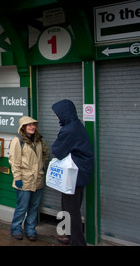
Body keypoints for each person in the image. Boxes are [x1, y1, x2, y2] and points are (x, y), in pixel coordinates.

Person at [51, 99, 94, 246]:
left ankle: (78, 242)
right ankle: (68, 235)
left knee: (71, 210)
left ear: (64, 113)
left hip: (74, 176)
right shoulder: (75, 125)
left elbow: (57, 151)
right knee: (68, 206)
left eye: (57, 114)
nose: (56, 117)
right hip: (78, 174)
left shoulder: (69, 130)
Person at [8, 116, 49, 241]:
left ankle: (30, 229)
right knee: (22, 206)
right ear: (23, 127)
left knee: (34, 206)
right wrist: (18, 178)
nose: (32, 127)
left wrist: (41, 167)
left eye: (33, 125)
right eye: (29, 125)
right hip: (24, 180)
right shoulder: (17, 141)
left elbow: (45, 153)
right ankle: (16, 228)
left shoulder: (39, 139)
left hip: (38, 179)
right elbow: (14, 161)